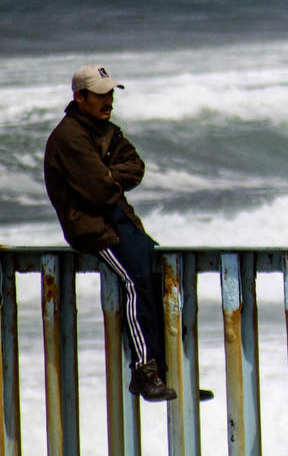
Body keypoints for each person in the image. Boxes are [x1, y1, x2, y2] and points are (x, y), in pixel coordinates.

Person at [44, 65, 211, 403]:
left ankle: (170, 371)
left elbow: (136, 168)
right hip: (92, 228)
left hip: (121, 221)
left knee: (162, 279)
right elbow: (99, 191)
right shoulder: (70, 137)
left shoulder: (105, 131)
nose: (109, 101)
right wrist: (107, 177)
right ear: (80, 97)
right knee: (135, 282)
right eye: (101, 94)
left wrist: (108, 173)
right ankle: (144, 370)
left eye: (111, 94)